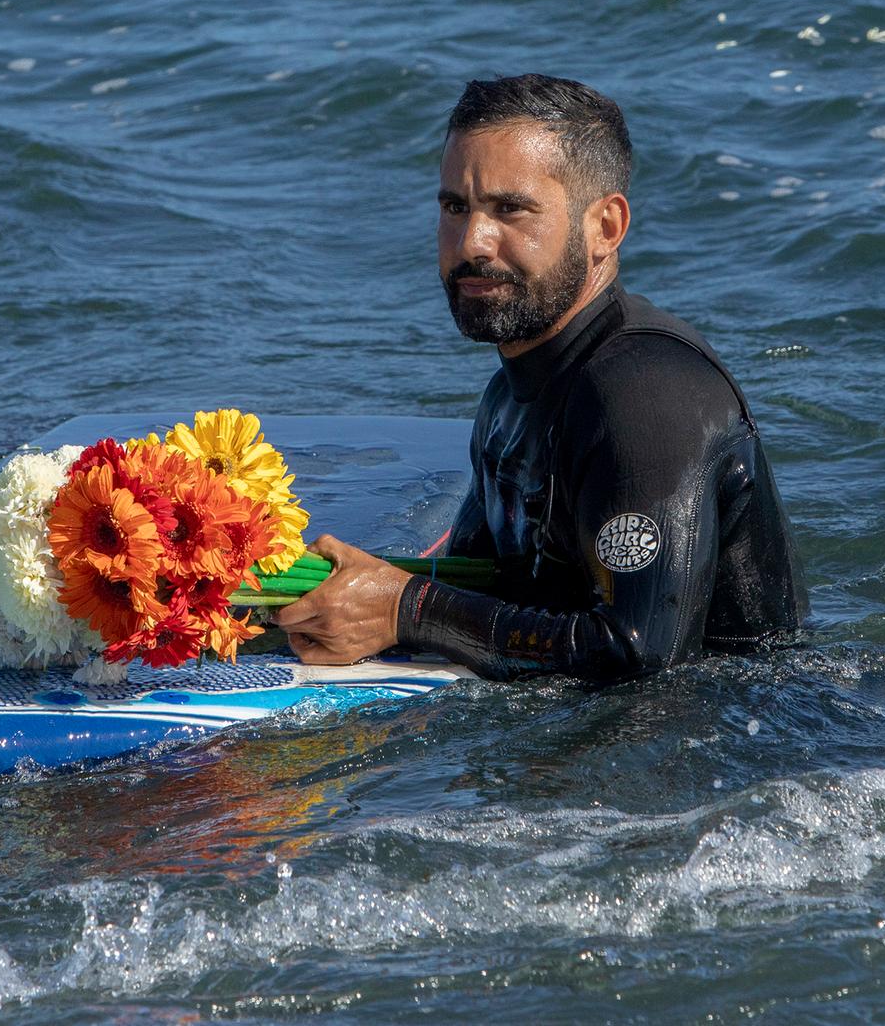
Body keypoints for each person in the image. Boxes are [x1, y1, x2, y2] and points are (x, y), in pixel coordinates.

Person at [275, 74, 806, 682]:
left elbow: (640, 655)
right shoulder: (508, 399)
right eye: (455, 207)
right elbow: (489, 591)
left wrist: (407, 606)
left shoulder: (647, 393)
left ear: (604, 227)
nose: (472, 241)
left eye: (510, 209)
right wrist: (296, 601)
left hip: (746, 744)